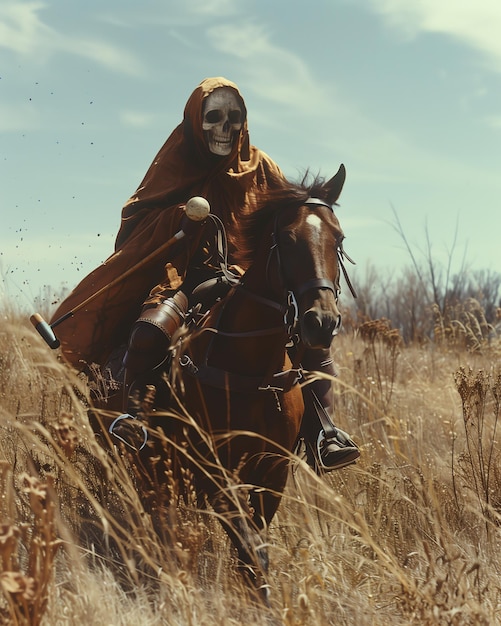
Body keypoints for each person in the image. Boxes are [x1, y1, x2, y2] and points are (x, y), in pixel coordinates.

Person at [50, 76, 359, 471]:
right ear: (196, 120)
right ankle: (134, 421)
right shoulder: (176, 160)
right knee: (150, 332)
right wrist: (179, 220)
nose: (224, 128)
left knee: (312, 340)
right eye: (214, 117)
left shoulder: (263, 166)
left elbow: (282, 221)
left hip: (249, 278)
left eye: (235, 117)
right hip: (186, 274)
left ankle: (322, 431)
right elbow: (137, 217)